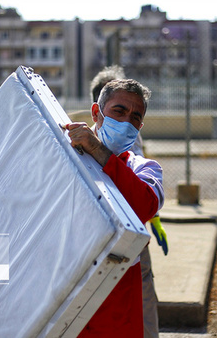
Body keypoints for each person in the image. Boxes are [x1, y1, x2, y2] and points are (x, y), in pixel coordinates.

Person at [66, 78, 164, 337]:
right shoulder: (63, 154)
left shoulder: (145, 168)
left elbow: (144, 206)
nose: (126, 122)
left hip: (116, 308)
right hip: (61, 298)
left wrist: (98, 150)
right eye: (119, 111)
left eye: (135, 117)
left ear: (140, 127)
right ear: (96, 113)